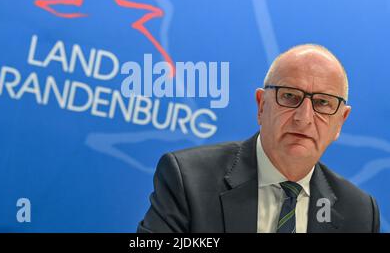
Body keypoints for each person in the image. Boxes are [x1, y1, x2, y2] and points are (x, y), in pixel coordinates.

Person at [137, 44, 380, 233]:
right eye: (289, 96)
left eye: (323, 103)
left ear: (341, 121)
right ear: (262, 106)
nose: (304, 118)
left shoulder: (359, 212)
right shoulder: (188, 180)